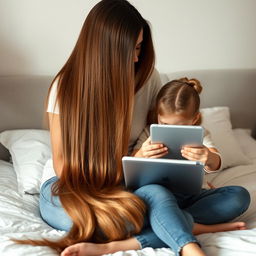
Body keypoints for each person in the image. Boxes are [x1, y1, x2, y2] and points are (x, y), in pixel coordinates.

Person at [13, 1, 250, 256]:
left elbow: (160, 136)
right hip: (77, 186)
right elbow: (63, 166)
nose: (137, 58)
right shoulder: (66, 87)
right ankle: (185, 230)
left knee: (236, 198)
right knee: (82, 220)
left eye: (139, 47)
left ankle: (146, 231)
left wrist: (193, 168)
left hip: (138, 187)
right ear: (105, 50)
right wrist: (131, 163)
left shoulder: (148, 78)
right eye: (130, 50)